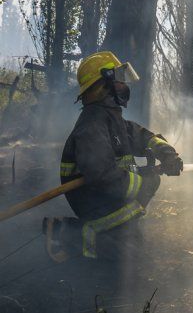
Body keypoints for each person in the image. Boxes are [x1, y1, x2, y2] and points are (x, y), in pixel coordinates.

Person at [46, 51, 183, 261]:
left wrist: (167, 153)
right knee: (123, 255)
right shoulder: (92, 125)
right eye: (119, 80)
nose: (124, 86)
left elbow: (142, 136)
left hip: (110, 198)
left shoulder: (111, 117)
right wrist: (142, 183)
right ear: (103, 85)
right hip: (94, 202)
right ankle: (65, 231)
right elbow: (102, 176)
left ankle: (117, 231)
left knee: (133, 244)